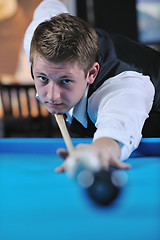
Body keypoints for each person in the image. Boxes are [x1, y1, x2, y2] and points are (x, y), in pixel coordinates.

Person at [24, 0, 160, 173]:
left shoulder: (121, 87)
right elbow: (49, 5)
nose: (52, 96)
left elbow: (117, 127)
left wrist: (99, 150)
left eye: (65, 81)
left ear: (92, 74)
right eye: (43, 78)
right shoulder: (36, 42)